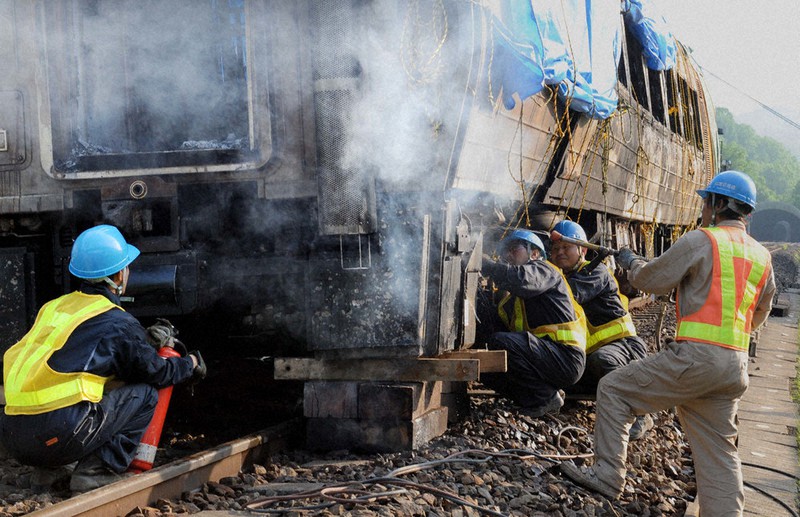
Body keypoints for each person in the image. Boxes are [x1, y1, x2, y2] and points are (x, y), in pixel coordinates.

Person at [559, 171, 776, 516]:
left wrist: (631, 263)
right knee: (719, 452)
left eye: (707, 202)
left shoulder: (703, 240)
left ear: (719, 205)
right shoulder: (762, 257)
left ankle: (607, 475)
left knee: (615, 389)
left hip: (695, 359)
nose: (703, 209)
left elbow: (652, 280)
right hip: (733, 369)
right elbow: (761, 312)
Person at [0, 225, 207, 493]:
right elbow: (156, 373)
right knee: (144, 394)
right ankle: (96, 470)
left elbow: (85, 353)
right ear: (120, 275)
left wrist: (141, 341)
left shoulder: (53, 308)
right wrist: (189, 364)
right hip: (60, 435)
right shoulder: (116, 320)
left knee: (75, 391)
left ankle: (47, 474)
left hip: (15, 437)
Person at [549, 220, 652, 440]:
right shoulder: (559, 279)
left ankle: (640, 415)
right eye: (556, 249)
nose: (559, 253)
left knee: (603, 359)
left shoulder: (596, 272)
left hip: (623, 348)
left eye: (566, 247)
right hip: (587, 356)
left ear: (583, 250)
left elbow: (567, 297)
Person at [480, 228, 587, 418]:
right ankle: (538, 396)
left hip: (566, 357)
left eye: (514, 249)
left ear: (535, 253)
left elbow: (521, 278)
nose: (508, 255)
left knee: (500, 343)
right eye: (505, 252)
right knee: (487, 364)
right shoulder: (510, 303)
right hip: (545, 356)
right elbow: (494, 328)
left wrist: (486, 265)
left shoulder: (545, 269)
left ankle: (544, 398)